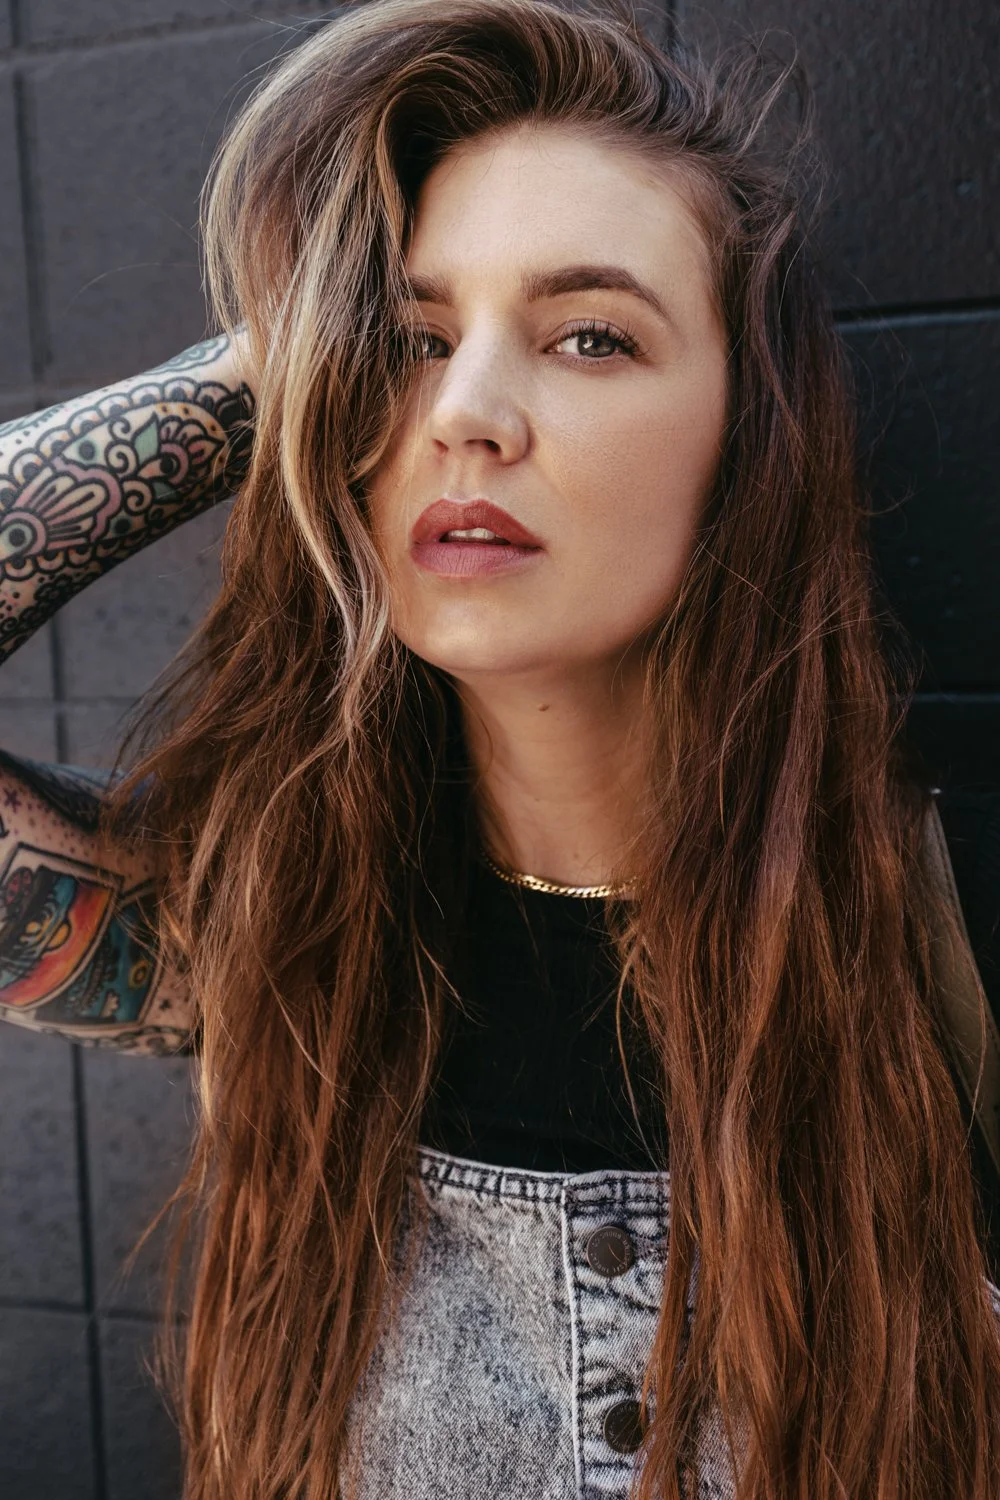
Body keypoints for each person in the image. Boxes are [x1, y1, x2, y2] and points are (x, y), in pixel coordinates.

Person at [1, 0, 999, 1495]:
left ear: (752, 431)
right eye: (408, 343)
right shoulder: (291, 934)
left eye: (590, 336)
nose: (464, 416)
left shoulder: (944, 931)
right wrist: (281, 360)